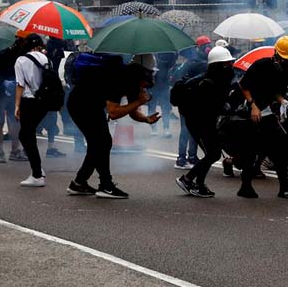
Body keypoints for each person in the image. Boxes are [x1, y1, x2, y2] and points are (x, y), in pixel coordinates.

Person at [66, 54, 161, 199]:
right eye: (149, 73)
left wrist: (146, 119)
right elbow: (114, 112)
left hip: (93, 105)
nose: (150, 78)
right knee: (102, 142)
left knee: (98, 144)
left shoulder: (133, 81)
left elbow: (132, 111)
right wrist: (139, 102)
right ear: (141, 71)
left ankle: (79, 183)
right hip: (80, 104)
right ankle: (105, 186)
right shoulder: (119, 78)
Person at [237, 35, 288, 199]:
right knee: (251, 149)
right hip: (253, 111)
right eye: (284, 59)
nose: (287, 62)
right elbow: (243, 85)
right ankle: (245, 186)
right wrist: (253, 105)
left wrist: (282, 101)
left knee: (281, 146)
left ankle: (284, 185)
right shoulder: (262, 65)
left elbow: (275, 90)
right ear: (276, 54)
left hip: (267, 112)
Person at [175, 46, 237, 198]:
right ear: (217, 65)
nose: (230, 66)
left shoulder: (219, 80)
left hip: (206, 122)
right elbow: (207, 107)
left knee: (212, 153)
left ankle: (199, 184)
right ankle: (187, 179)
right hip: (198, 123)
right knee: (213, 153)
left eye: (230, 63)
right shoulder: (207, 83)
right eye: (226, 63)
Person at [14, 34, 51, 187]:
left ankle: (37, 174)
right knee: (28, 134)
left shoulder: (21, 60)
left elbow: (20, 85)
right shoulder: (46, 59)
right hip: (44, 102)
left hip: (29, 101)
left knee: (25, 135)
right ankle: (38, 170)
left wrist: (17, 105)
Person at [0, 36, 25, 164]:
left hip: (12, 91)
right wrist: (2, 83)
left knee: (15, 121)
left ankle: (11, 152)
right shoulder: (4, 55)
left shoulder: (21, 56)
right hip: (1, 92)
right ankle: (3, 152)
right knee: (2, 122)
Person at [170, 49, 204, 169]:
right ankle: (185, 158)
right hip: (191, 103)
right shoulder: (197, 65)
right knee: (189, 131)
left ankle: (186, 157)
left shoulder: (182, 66)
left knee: (187, 130)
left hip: (184, 103)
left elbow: (173, 80)